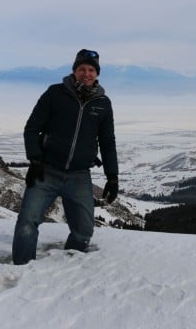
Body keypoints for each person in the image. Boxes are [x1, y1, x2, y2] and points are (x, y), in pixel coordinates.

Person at [12, 49, 119, 265]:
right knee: (27, 222)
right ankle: (21, 270)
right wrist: (34, 159)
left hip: (79, 175)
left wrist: (112, 176)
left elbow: (107, 142)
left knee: (84, 231)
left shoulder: (103, 104)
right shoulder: (55, 93)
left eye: (91, 70)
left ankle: (67, 269)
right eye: (82, 69)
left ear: (97, 74)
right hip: (47, 170)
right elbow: (32, 128)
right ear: (74, 71)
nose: (86, 74)